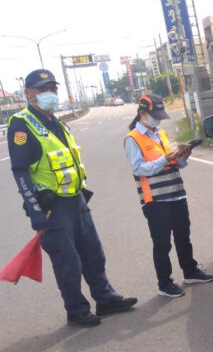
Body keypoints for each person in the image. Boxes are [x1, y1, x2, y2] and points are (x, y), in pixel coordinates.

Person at [8, 69, 137, 327]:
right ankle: (76, 309)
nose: (51, 94)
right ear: (29, 94)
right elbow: (20, 171)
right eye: (44, 89)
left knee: (93, 252)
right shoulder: (22, 125)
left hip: (75, 200)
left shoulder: (56, 121)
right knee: (67, 261)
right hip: (52, 207)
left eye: (53, 89)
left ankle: (105, 299)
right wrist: (35, 210)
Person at [123, 94, 213, 298]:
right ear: (142, 113)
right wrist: (165, 158)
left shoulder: (161, 134)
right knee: (162, 243)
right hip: (155, 200)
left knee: (183, 236)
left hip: (176, 194)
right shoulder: (133, 139)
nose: (158, 119)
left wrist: (183, 156)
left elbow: (174, 163)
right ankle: (164, 283)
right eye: (154, 115)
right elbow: (139, 169)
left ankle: (190, 271)